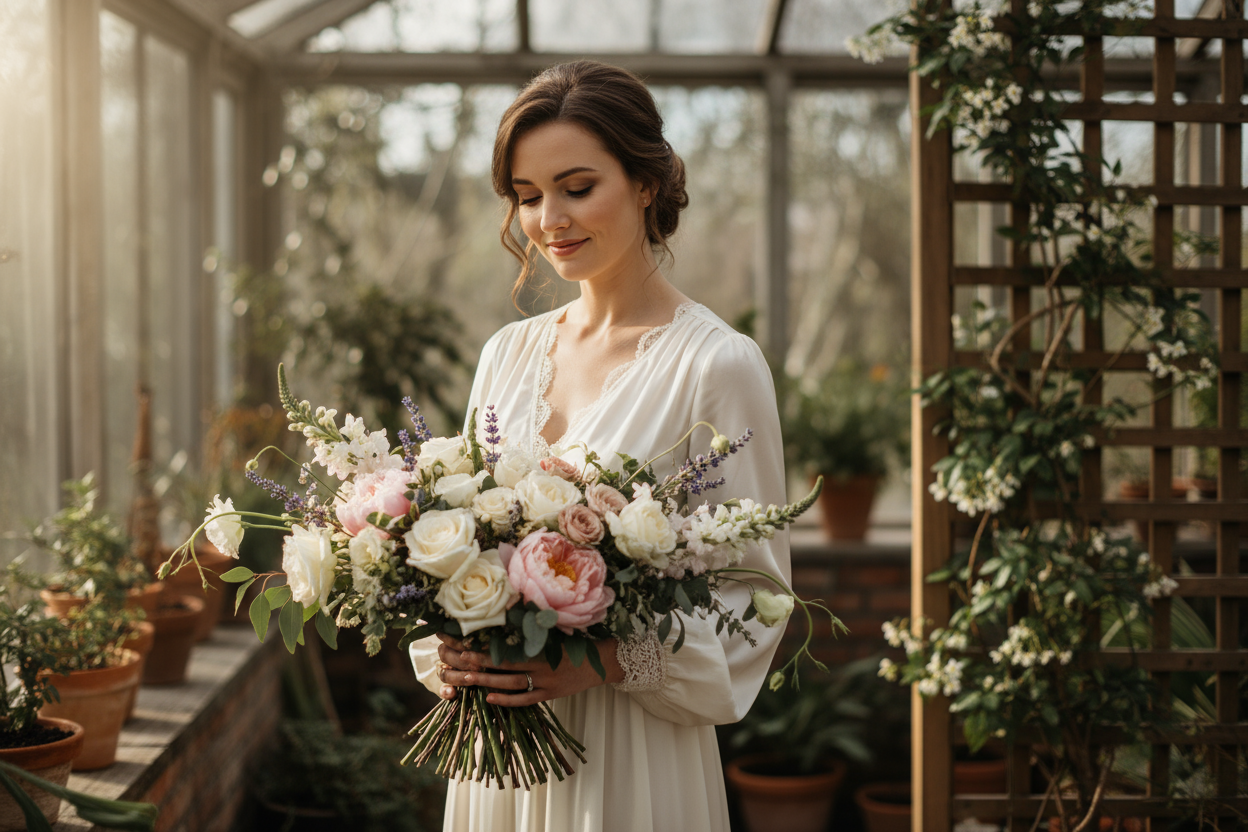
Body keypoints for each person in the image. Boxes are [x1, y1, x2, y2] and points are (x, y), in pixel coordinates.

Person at [409, 59, 791, 832]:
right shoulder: (505, 356)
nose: (550, 218)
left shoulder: (716, 365)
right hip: (497, 768)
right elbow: (448, 538)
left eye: (577, 187)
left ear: (646, 183)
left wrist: (599, 661)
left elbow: (757, 602)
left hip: (634, 761)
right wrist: (450, 634)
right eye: (527, 196)